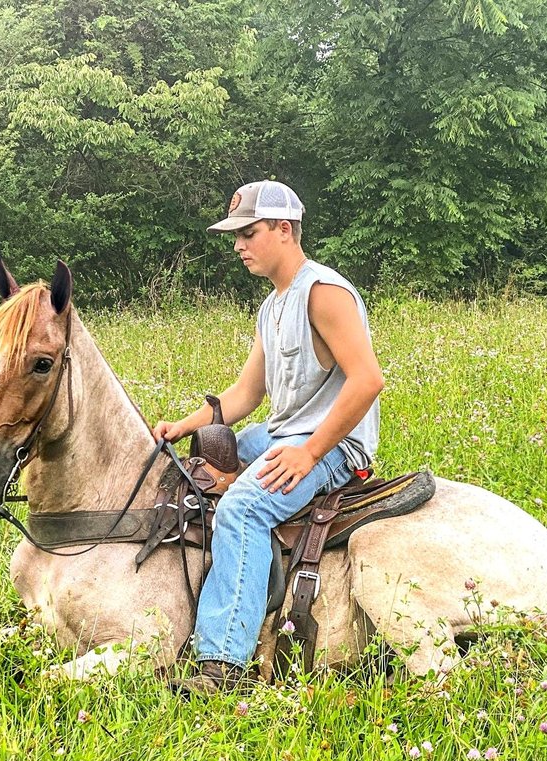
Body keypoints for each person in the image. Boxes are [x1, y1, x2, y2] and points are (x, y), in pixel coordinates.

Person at [154, 180, 384, 695]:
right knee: (188, 470)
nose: (238, 245)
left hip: (329, 444)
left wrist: (309, 453)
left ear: (284, 230)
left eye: (248, 232)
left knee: (241, 507)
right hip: (280, 430)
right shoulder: (271, 306)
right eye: (235, 235)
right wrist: (186, 425)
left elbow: (368, 379)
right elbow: (245, 394)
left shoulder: (323, 293)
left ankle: (223, 664)